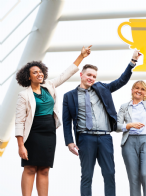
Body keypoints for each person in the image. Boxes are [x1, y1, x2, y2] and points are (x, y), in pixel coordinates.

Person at [15, 46, 92, 196]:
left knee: (44, 168)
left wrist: (81, 56)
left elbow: (65, 74)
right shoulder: (23, 95)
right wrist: (21, 146)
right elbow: (19, 121)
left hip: (49, 133)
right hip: (32, 134)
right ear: (28, 77)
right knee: (30, 168)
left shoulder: (49, 86)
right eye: (34, 72)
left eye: (40, 71)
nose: (39, 74)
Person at [62, 50, 141, 196]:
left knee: (109, 173)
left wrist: (133, 62)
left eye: (94, 76)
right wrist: (69, 142)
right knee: (86, 176)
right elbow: (66, 121)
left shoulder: (102, 88)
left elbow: (121, 81)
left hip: (105, 137)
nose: (91, 78)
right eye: (89, 75)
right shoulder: (69, 96)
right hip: (85, 138)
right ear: (81, 75)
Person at [116, 72, 146, 196]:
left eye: (143, 89)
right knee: (133, 178)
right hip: (129, 142)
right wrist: (128, 125)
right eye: (137, 88)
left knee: (145, 174)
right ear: (132, 90)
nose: (139, 91)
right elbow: (116, 126)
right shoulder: (124, 107)